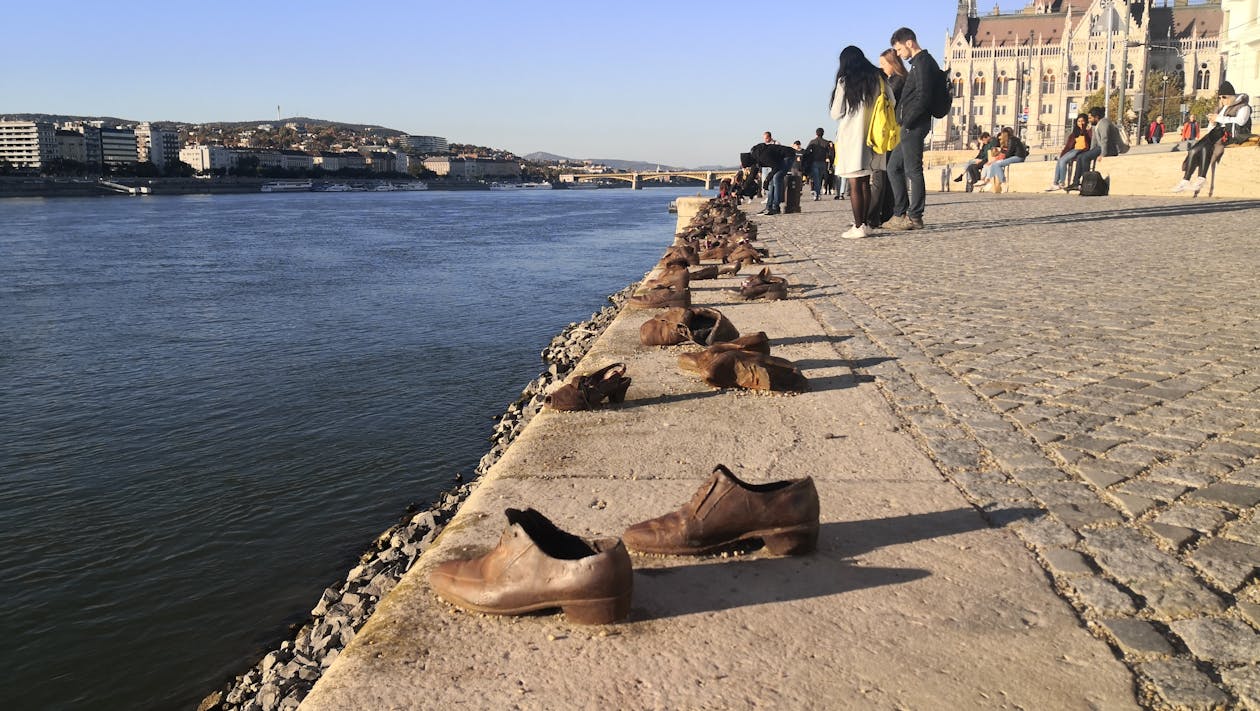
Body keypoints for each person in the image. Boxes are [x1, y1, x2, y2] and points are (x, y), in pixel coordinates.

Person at [829, 45, 888, 239]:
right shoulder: (878, 78)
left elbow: (836, 112)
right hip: (873, 135)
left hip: (853, 136)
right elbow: (892, 101)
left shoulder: (845, 81)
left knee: (855, 184)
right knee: (865, 183)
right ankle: (866, 224)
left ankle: (858, 226)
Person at [884, 27, 939, 231]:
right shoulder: (917, 63)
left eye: (898, 49)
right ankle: (900, 213)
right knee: (894, 167)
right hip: (909, 125)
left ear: (909, 43)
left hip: (914, 125)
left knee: (913, 169)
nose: (898, 54)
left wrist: (908, 120)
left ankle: (914, 216)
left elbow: (924, 96)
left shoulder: (923, 62)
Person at [1066, 107, 1124, 191]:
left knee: (1085, 157)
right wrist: (1090, 153)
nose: (1089, 120)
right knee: (1080, 157)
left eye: (1090, 118)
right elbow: (1094, 140)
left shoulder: (1104, 123)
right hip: (1100, 147)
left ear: (1096, 117)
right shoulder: (1096, 125)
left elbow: (1105, 139)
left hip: (1108, 148)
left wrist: (1102, 154)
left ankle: (1086, 182)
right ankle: (1075, 183)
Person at [749, 133, 796, 216]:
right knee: (771, 181)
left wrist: (767, 179)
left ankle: (775, 206)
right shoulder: (758, 156)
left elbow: (776, 166)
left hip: (789, 155)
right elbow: (752, 175)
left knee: (777, 177)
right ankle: (769, 206)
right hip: (781, 159)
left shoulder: (763, 156)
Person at [1047, 113, 1091, 191]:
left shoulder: (1088, 131)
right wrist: (1062, 154)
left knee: (1063, 161)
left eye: (1082, 121)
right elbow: (1068, 146)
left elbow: (1089, 141)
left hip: (1082, 150)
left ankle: (1062, 183)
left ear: (1086, 122)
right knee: (1060, 161)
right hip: (1074, 150)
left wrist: (1084, 129)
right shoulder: (1075, 133)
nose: (1080, 123)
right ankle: (1055, 183)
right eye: (1079, 121)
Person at [975, 127, 1025, 192]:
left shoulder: (1012, 140)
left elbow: (1009, 153)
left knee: (996, 165)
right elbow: (1006, 152)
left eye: (1002, 133)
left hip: (1018, 157)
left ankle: (1003, 183)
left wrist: (999, 159)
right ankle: (987, 180)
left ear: (1005, 133)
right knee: (992, 164)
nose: (1001, 135)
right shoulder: (1010, 140)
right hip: (1015, 156)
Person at [805, 128, 832, 201]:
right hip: (823, 162)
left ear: (816, 133)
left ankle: (817, 194)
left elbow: (807, 152)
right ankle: (818, 194)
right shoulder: (826, 142)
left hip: (814, 162)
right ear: (823, 133)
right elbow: (830, 153)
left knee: (816, 179)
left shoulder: (813, 142)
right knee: (819, 179)